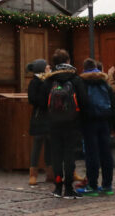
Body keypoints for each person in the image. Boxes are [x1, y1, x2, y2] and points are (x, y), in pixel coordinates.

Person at [43, 49, 87, 200]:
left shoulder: (49, 80)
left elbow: (42, 102)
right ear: (68, 61)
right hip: (72, 123)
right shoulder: (75, 79)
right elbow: (84, 101)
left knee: (56, 155)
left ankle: (57, 187)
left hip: (53, 123)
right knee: (69, 156)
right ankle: (69, 188)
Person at [76, 59, 115, 196]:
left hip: (89, 122)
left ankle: (92, 186)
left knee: (91, 154)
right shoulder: (104, 82)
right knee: (106, 154)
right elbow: (113, 104)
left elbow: (81, 104)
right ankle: (107, 185)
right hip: (105, 121)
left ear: (84, 69)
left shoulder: (82, 83)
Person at [27, 59, 52, 186]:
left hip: (49, 117)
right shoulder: (35, 82)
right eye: (47, 66)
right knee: (37, 145)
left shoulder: (48, 80)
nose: (49, 68)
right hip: (39, 117)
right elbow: (36, 100)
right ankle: (33, 174)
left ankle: (50, 173)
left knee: (49, 145)